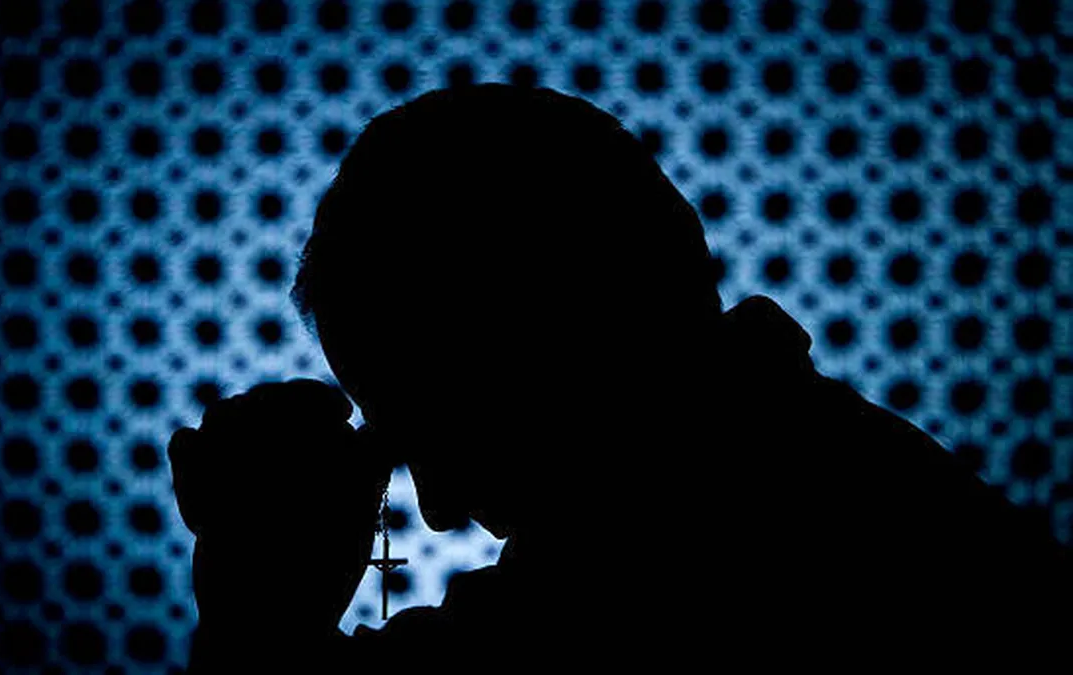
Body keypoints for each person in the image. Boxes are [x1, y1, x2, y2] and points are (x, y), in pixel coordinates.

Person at [167, 84, 1071, 666]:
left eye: (433, 421)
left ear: (541, 339)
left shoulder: (641, 579)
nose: (436, 508)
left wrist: (257, 603)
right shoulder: (841, 473)